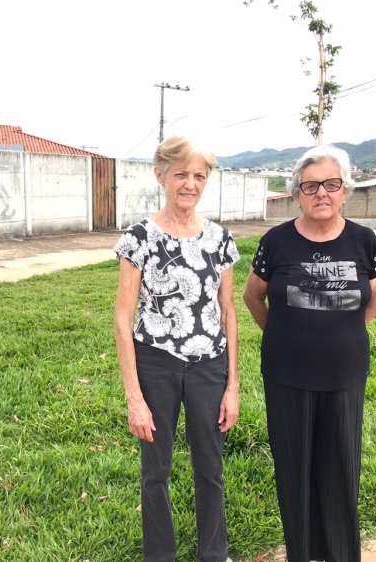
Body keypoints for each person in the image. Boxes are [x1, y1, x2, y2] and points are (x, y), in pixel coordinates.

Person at [243, 145, 376, 562]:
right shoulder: (276, 241)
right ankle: (300, 554)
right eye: (310, 186)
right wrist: (286, 334)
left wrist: (341, 335)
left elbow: (375, 300)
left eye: (331, 184)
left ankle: (341, 554)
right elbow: (253, 297)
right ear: (297, 194)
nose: (321, 192)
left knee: (340, 470)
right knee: (295, 471)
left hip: (345, 375)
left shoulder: (363, 240)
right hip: (286, 375)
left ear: (345, 191)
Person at [114, 135, 240, 562]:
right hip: (156, 365)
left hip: (209, 366)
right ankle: (160, 556)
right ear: (161, 176)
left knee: (211, 469)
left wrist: (233, 385)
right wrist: (134, 398)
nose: (190, 184)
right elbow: (122, 319)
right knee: (156, 471)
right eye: (181, 174)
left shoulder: (220, 239)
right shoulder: (139, 238)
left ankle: (214, 554)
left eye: (199, 176)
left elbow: (228, 312)